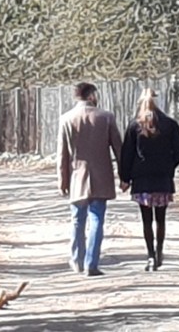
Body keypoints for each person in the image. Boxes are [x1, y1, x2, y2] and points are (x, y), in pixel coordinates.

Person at [57, 82, 123, 277]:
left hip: (77, 176)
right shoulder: (106, 117)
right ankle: (91, 264)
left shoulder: (66, 119)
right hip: (101, 175)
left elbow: (62, 156)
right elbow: (119, 149)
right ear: (92, 96)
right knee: (97, 219)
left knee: (77, 220)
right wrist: (124, 176)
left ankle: (77, 260)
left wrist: (62, 181)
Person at [119, 88, 179, 272]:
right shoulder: (170, 124)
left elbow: (127, 154)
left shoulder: (135, 126)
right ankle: (159, 252)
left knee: (146, 220)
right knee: (161, 218)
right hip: (163, 177)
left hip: (142, 179)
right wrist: (170, 164)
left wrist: (125, 177)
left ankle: (149, 256)